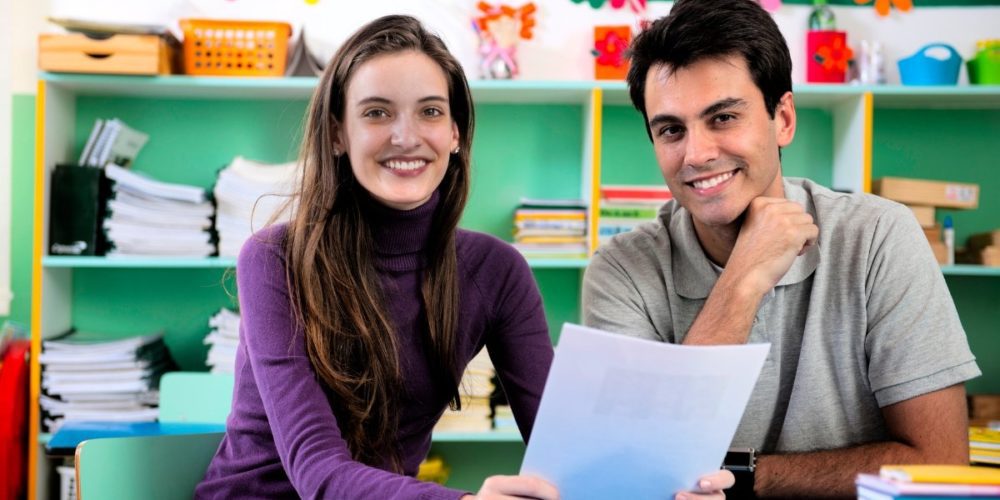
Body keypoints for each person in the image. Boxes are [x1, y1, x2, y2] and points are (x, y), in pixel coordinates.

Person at [196, 14, 732, 499]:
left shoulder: (495, 270)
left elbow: (563, 443)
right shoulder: (274, 259)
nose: (406, 137)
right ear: (338, 132)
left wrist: (665, 486)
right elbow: (317, 470)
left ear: (454, 133)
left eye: (430, 111)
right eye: (377, 112)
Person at [582, 0, 981, 498]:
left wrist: (748, 478)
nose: (697, 154)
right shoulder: (620, 269)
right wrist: (745, 278)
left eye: (724, 117)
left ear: (783, 119)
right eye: (670, 130)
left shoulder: (880, 235)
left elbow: (941, 462)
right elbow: (635, 473)